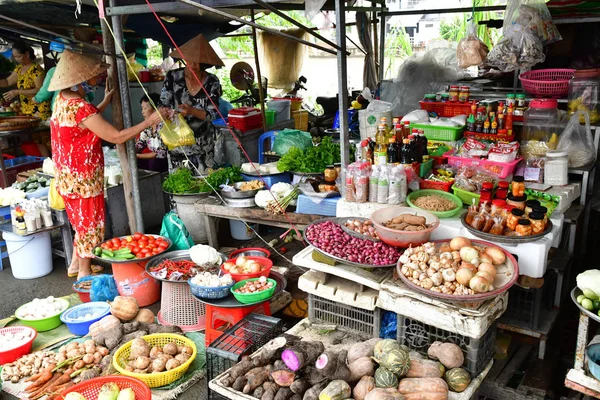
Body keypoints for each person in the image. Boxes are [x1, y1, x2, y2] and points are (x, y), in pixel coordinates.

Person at [49, 50, 166, 279]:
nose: (98, 78)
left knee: (80, 223)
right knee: (89, 226)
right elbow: (116, 136)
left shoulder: (62, 100)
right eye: (93, 76)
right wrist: (150, 121)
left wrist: (103, 103)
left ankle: (75, 264)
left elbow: (83, 124)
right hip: (83, 177)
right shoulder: (80, 107)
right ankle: (84, 274)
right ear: (80, 80)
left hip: (67, 176)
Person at [160, 34, 224, 174]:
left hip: (204, 146)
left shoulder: (212, 82)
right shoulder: (172, 77)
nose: (193, 65)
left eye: (198, 62)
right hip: (178, 144)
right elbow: (163, 103)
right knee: (180, 186)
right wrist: (169, 113)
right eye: (190, 61)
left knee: (205, 185)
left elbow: (213, 114)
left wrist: (192, 111)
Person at [33, 40, 114, 113]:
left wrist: (35, 99)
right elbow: (91, 97)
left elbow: (44, 94)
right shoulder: (81, 70)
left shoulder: (54, 71)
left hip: (61, 111)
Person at [0, 41, 50, 120]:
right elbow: (7, 82)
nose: (17, 59)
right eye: (15, 57)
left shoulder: (36, 70)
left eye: (19, 56)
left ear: (27, 54)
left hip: (39, 111)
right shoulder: (19, 69)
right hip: (26, 111)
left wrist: (18, 92)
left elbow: (39, 90)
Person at [136, 93, 168, 173]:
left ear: (155, 110)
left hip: (165, 161)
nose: (142, 112)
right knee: (133, 162)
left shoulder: (164, 126)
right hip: (154, 161)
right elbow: (139, 145)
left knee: (155, 163)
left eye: (145, 108)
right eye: (142, 108)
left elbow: (160, 154)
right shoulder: (148, 129)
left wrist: (137, 155)